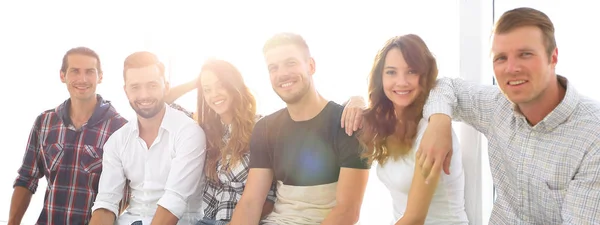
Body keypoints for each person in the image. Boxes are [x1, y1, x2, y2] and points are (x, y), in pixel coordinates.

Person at [416, 7, 600, 224]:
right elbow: (446, 87)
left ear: (553, 57)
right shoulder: (497, 106)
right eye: (501, 58)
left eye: (525, 54)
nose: (511, 68)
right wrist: (439, 123)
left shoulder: (592, 137)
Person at [229, 32, 370, 225]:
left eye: (291, 63)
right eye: (273, 68)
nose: (282, 74)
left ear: (311, 66)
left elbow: (347, 212)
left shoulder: (348, 123)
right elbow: (251, 203)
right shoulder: (265, 128)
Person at [8, 47, 129, 225]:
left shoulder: (120, 129)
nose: (82, 79)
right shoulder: (45, 122)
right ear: (62, 75)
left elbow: (127, 193)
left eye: (90, 72)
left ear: (100, 77)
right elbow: (27, 178)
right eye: (75, 71)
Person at [356, 34, 468, 225]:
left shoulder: (431, 131)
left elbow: (414, 218)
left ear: (424, 76)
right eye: (391, 72)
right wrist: (354, 101)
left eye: (411, 72)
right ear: (380, 77)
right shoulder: (389, 122)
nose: (401, 82)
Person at [89, 51, 207, 225]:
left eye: (152, 85)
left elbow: (173, 203)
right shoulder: (117, 141)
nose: (144, 95)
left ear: (165, 87)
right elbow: (106, 204)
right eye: (135, 87)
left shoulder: (189, 133)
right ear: (126, 91)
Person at [193, 59, 277, 225]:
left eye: (220, 85)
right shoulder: (206, 129)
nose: (214, 94)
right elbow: (162, 101)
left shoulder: (262, 128)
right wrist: (197, 82)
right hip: (204, 219)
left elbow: (271, 197)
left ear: (233, 85)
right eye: (207, 90)